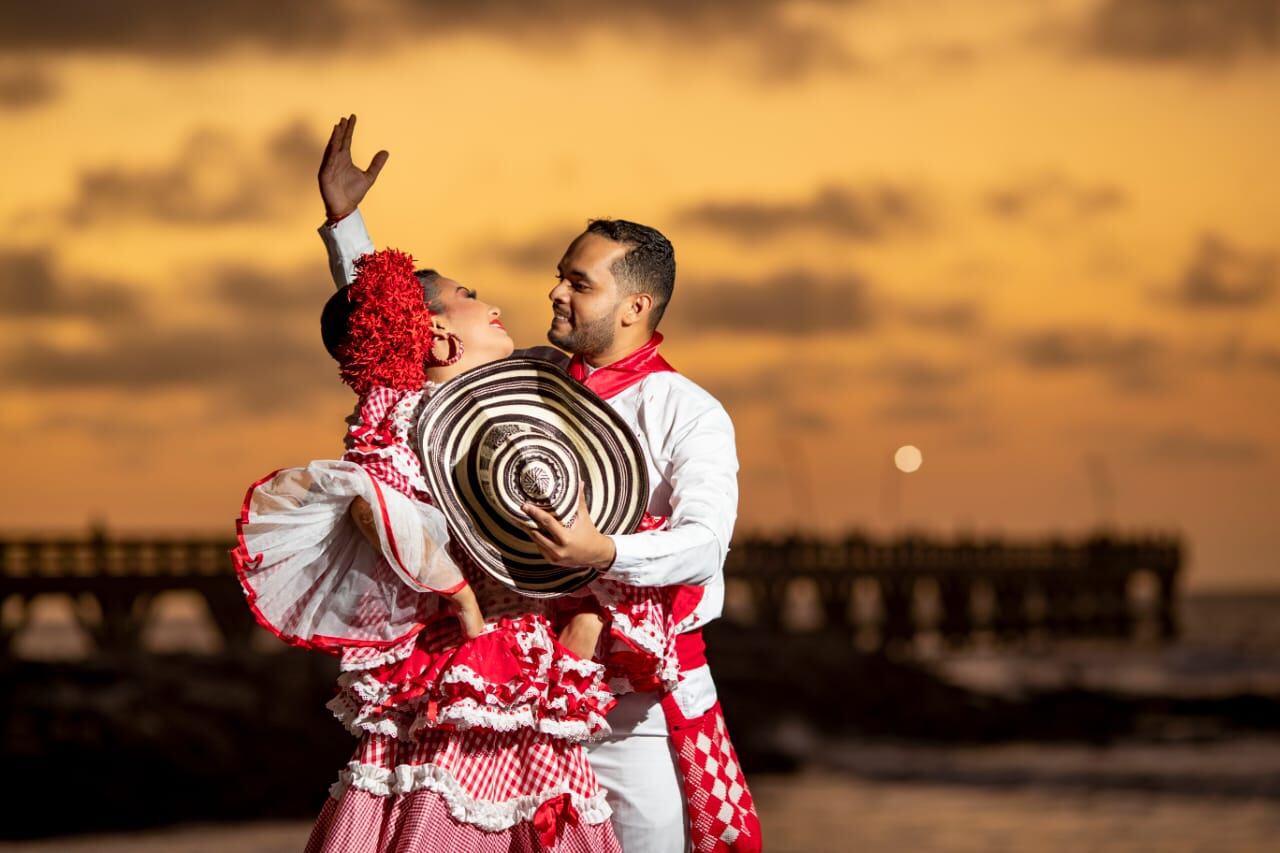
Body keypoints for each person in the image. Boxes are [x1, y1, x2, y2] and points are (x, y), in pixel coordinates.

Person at [319, 114, 761, 853]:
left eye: (577, 283)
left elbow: (704, 543)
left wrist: (604, 549)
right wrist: (345, 223)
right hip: (515, 698)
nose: (553, 291)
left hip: (630, 710)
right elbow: (409, 342)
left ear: (634, 306)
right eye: (560, 272)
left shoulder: (688, 411)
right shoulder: (524, 378)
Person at [234, 243, 623, 850]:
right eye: (470, 296)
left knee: (503, 798)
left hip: (513, 650)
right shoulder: (404, 414)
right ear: (436, 329)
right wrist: (463, 599)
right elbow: (369, 503)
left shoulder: (489, 404)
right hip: (473, 656)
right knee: (462, 803)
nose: (491, 303)